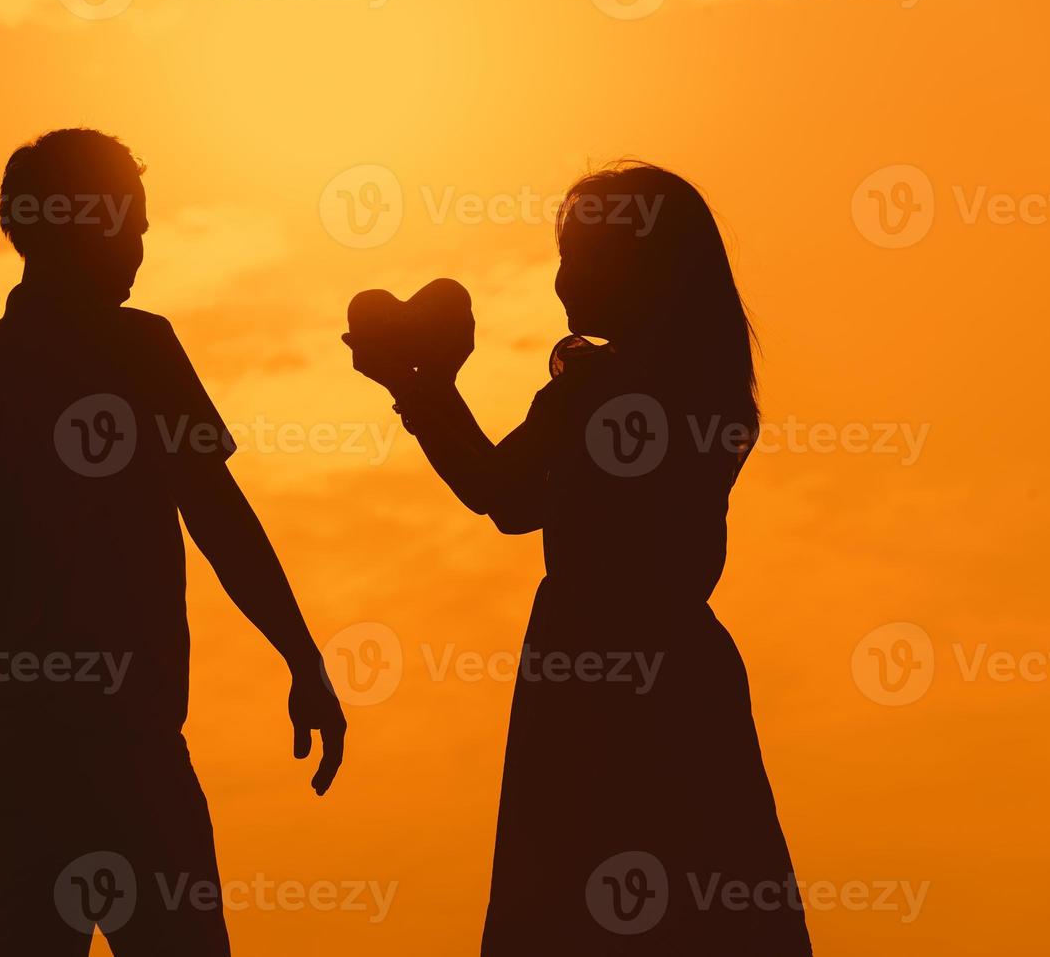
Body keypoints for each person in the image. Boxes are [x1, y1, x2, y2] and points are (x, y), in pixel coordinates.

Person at [344, 163, 812, 954]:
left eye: (579, 253)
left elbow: (502, 496)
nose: (561, 276)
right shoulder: (703, 387)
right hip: (680, 661)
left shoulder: (598, 390)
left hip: (588, 662)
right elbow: (517, 499)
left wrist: (416, 386)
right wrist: (427, 391)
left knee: (566, 891)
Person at [0, 128, 346, 956]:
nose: (140, 249)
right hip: (105, 763)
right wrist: (302, 660)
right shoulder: (134, 353)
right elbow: (219, 519)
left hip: (49, 760)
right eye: (127, 226)